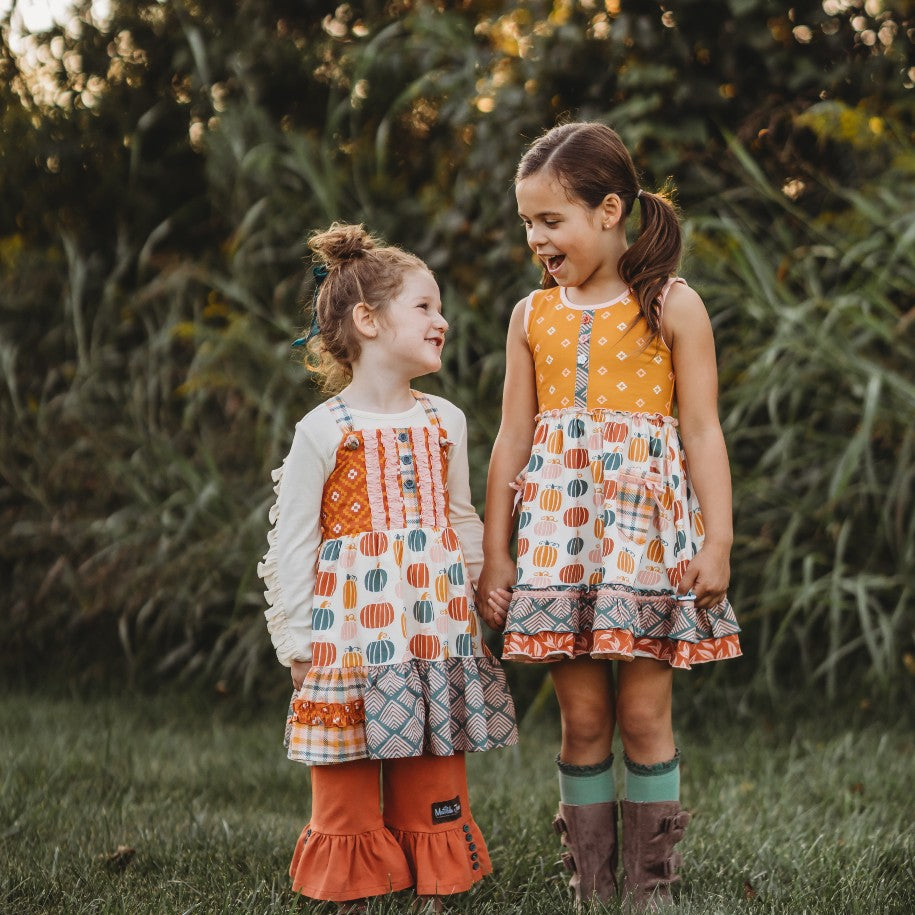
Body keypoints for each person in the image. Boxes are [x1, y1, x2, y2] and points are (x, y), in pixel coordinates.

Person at [477, 122, 741, 910]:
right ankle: (591, 885)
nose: (535, 238)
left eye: (549, 220)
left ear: (608, 210)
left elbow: (700, 430)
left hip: (643, 541)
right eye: (526, 222)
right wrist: (497, 552)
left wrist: (717, 540)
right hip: (560, 546)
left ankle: (648, 887)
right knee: (583, 718)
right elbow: (510, 440)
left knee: (642, 711)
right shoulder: (531, 316)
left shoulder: (671, 304)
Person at [258, 223, 517, 913]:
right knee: (344, 769)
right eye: (425, 306)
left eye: (439, 307)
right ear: (367, 320)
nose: (442, 320)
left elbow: (461, 518)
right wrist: (296, 640)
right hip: (348, 639)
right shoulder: (324, 430)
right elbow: (293, 544)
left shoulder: (446, 421)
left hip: (434, 632)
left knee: (432, 760)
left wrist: (482, 587)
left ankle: (432, 886)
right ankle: (352, 885)